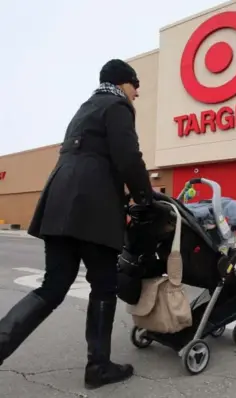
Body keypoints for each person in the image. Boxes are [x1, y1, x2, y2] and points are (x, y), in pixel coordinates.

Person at [0, 59, 153, 389]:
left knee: (52, 287)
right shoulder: (117, 105)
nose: (138, 91)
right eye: (136, 84)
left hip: (59, 207)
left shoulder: (85, 109)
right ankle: (98, 368)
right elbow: (128, 156)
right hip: (92, 210)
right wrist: (146, 197)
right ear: (122, 83)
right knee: (104, 286)